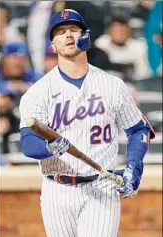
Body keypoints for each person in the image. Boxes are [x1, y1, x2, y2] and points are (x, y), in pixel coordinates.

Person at [19, 9, 155, 237]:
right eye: (61, 32)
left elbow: (138, 130)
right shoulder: (38, 92)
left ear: (85, 37)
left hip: (101, 186)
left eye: (74, 29)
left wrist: (133, 168)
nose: (68, 35)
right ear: (53, 45)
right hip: (57, 189)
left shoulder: (112, 85)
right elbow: (28, 143)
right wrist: (49, 147)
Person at [95, 14, 150, 80]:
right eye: (116, 31)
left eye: (122, 31)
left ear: (128, 31)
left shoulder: (139, 46)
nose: (119, 35)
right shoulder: (100, 44)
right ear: (108, 31)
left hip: (131, 83)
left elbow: (142, 72)